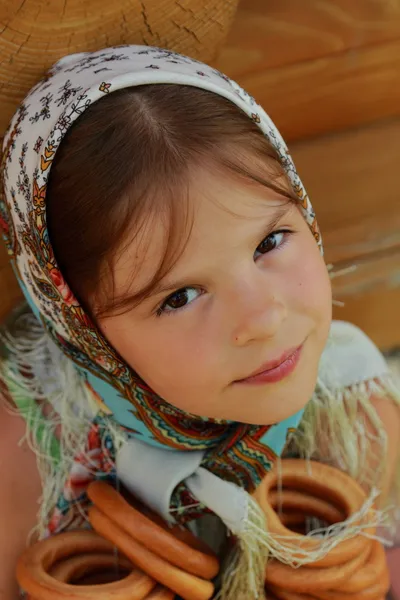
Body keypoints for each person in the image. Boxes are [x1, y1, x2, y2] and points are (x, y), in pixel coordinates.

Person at [0, 46, 399, 600]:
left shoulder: (355, 407)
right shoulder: (25, 451)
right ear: (82, 331)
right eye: (181, 296)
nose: (262, 318)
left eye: (270, 242)